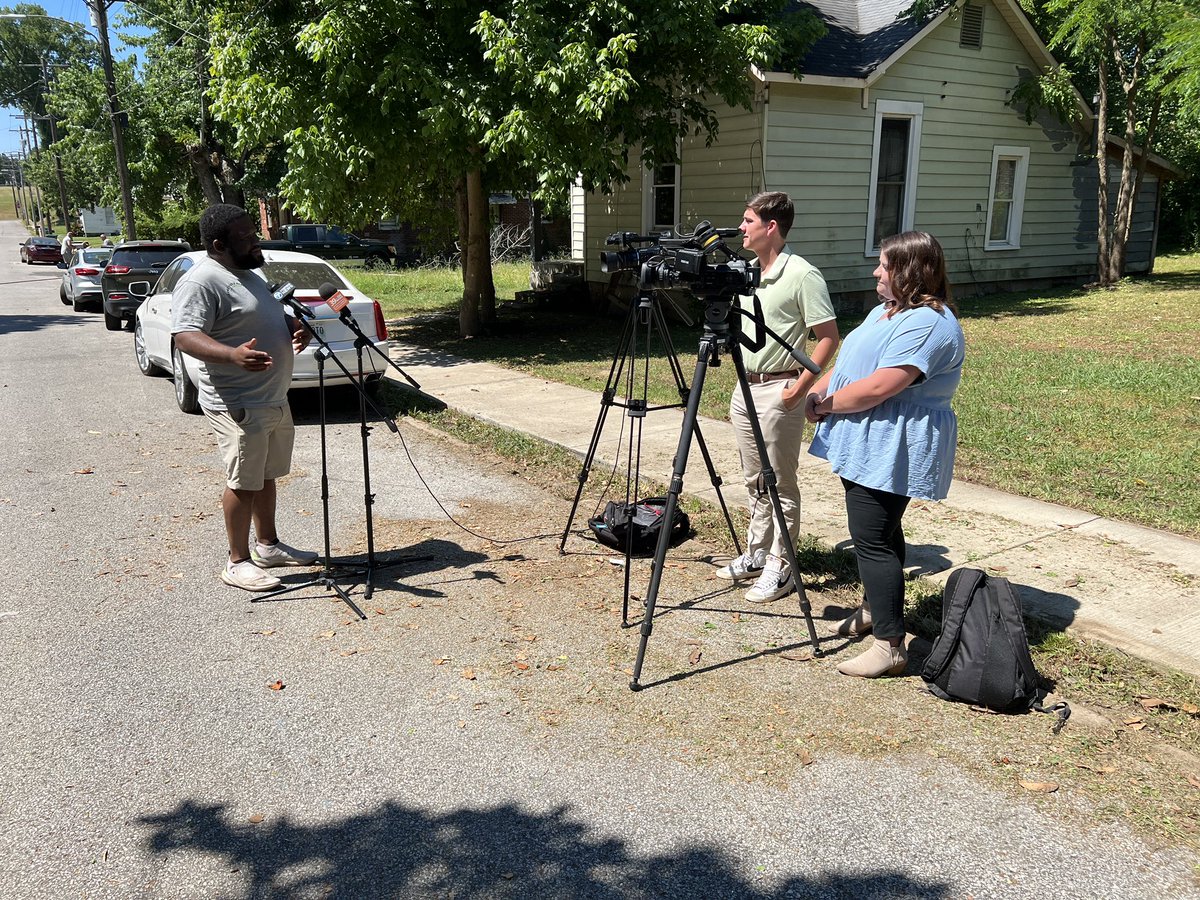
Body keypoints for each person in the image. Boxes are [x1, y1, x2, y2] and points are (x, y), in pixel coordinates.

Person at [805, 231, 966, 678]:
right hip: (866, 437)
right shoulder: (887, 311)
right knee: (882, 532)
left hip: (895, 441)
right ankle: (878, 610)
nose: (876, 272)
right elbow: (850, 363)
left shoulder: (929, 324)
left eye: (884, 265)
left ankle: (890, 646)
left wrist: (827, 404)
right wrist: (818, 390)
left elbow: (881, 386)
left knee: (872, 538)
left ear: (911, 272)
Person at [171, 203, 317, 592]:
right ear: (219, 244)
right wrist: (232, 355)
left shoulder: (248, 273)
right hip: (237, 400)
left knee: (265, 475)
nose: (256, 241)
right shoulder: (202, 281)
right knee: (243, 481)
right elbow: (185, 335)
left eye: (254, 233)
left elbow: (260, 315)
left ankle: (268, 546)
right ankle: (237, 561)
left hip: (271, 396)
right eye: (245, 237)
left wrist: (292, 328)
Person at [716, 191, 840, 603]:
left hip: (779, 389)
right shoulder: (747, 273)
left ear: (771, 227)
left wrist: (800, 388)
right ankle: (756, 553)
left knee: (780, 483)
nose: (741, 227)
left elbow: (828, 338)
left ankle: (781, 566)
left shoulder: (802, 275)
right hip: (745, 386)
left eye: (748, 220)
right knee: (754, 480)